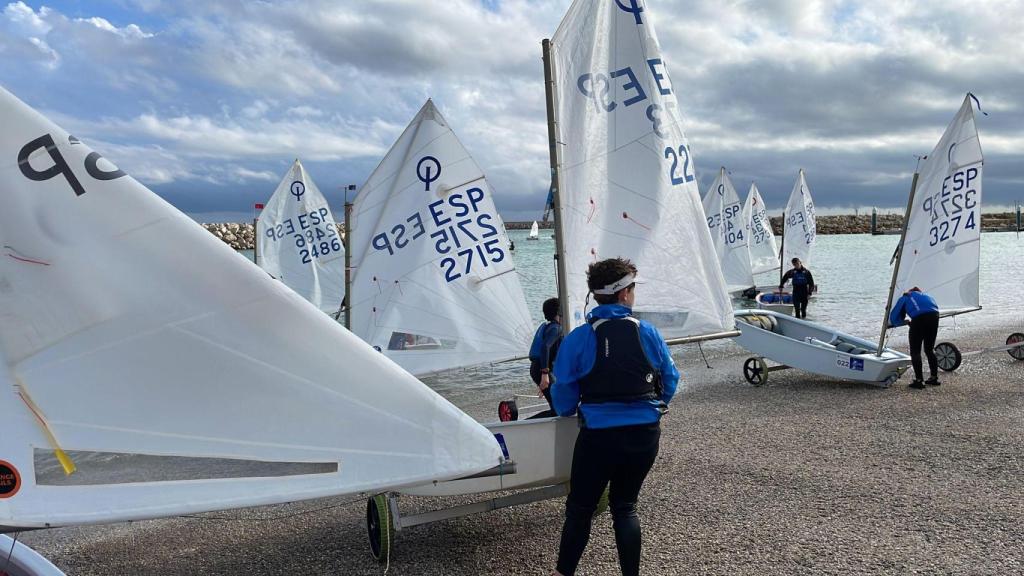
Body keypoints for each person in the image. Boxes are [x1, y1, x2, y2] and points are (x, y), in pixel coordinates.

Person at [550, 258, 679, 576]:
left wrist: (567, 409)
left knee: (580, 509)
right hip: (644, 435)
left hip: (599, 437)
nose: (633, 294)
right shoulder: (648, 332)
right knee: (625, 506)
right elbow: (670, 378)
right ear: (623, 294)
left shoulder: (578, 338)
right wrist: (655, 405)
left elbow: (564, 393)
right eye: (633, 288)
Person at [888, 286, 941, 389]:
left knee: (915, 351)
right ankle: (934, 378)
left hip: (920, 318)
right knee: (929, 349)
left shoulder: (905, 297)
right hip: (934, 316)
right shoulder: (927, 295)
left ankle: (919, 381)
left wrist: (904, 322)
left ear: (910, 291)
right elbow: (928, 309)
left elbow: (894, 318)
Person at [528, 297, 562, 418]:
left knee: (557, 407)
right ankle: (525, 424)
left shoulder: (549, 326)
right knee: (558, 409)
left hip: (538, 368)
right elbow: (545, 347)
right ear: (559, 311)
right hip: (541, 369)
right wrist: (544, 375)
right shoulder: (556, 328)